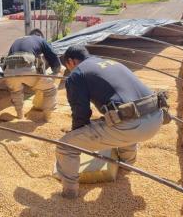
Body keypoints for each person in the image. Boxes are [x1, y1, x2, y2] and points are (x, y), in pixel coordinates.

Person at [55, 45, 165, 199]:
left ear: (71, 61)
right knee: (116, 120)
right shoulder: (113, 63)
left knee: (66, 147)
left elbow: (81, 113)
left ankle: (69, 192)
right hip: (156, 117)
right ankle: (126, 164)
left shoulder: (77, 74)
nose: (69, 70)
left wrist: (78, 135)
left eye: (67, 67)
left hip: (131, 127)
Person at [2, 28, 61, 121]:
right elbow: (52, 56)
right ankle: (47, 117)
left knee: (16, 91)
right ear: (40, 36)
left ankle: (20, 115)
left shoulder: (17, 40)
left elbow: (7, 59)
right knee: (50, 90)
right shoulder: (41, 40)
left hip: (9, 71)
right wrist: (56, 71)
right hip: (27, 68)